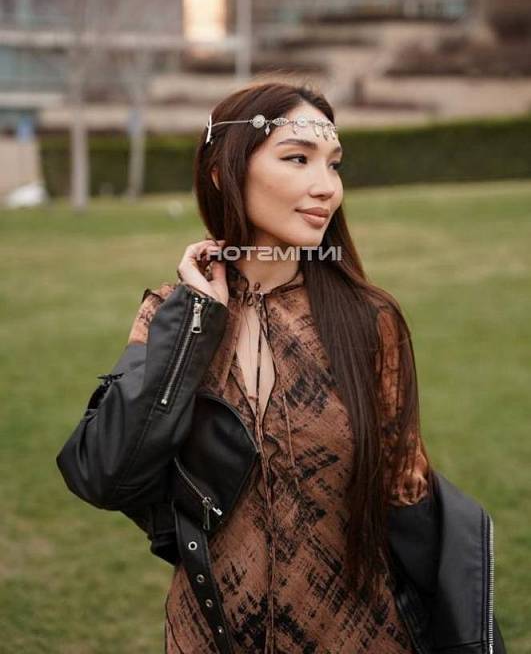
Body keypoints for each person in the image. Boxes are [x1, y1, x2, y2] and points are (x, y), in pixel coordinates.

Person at [127, 81, 434, 653]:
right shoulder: (167, 315)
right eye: (297, 159)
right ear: (223, 172)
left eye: (334, 165)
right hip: (209, 634)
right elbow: (118, 467)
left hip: (358, 634)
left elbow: (405, 489)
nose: (326, 187)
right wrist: (196, 323)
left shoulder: (371, 321)